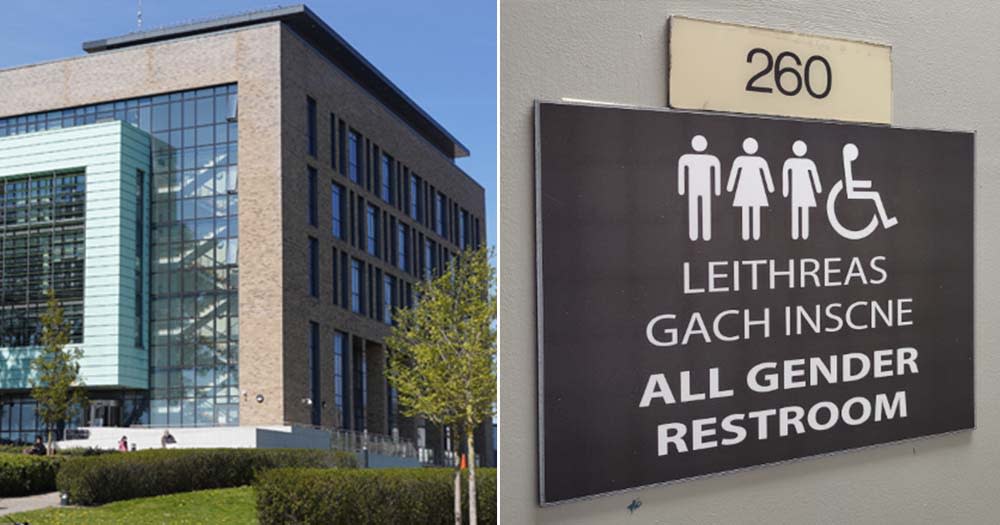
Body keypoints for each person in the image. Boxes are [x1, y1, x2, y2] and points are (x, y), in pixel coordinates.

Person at [726, 137, 774, 240]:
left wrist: (770, 188)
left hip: (756, 189)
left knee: (753, 210)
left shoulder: (759, 161)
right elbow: (734, 174)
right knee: (746, 210)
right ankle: (747, 235)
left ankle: (755, 235)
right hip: (745, 189)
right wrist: (730, 187)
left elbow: (766, 175)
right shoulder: (741, 160)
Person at [842, 143, 898, 228]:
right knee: (875, 195)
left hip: (851, 190)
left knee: (875, 195)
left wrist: (866, 184)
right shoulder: (847, 164)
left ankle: (886, 221)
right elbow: (849, 182)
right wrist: (866, 184)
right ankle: (886, 221)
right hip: (851, 192)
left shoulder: (847, 163)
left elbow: (850, 181)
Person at [677, 134, 722, 241]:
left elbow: (717, 174)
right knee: (693, 210)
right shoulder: (686, 158)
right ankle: (694, 235)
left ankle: (706, 234)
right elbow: (681, 173)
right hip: (693, 189)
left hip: (706, 189)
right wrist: (681, 189)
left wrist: (717, 190)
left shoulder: (712, 159)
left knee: (706, 209)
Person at [782, 140, 823, 240]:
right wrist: (785, 190)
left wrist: (818, 189)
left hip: (806, 190)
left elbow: (814, 176)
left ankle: (804, 234)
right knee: (796, 211)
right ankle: (796, 234)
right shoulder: (790, 162)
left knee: (804, 211)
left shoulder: (808, 163)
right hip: (797, 191)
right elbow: (785, 177)